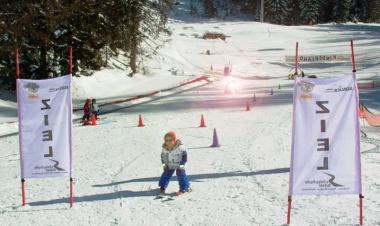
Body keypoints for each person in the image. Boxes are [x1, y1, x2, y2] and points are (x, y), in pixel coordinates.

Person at [159, 131, 190, 196]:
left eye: (171, 140)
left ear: (175, 140)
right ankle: (162, 186)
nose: (169, 142)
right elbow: (163, 157)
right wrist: (164, 165)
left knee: (181, 175)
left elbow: (184, 156)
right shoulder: (165, 148)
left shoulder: (180, 147)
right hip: (170, 163)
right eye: (167, 140)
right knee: (166, 174)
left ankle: (183, 188)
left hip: (180, 164)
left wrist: (182, 164)